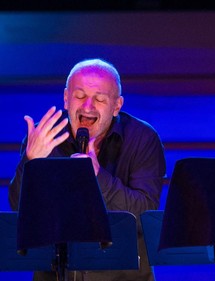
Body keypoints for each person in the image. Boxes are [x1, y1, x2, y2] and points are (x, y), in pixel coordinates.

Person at [8, 58, 166, 281]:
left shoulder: (143, 139)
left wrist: (97, 176)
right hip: (56, 274)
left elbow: (143, 214)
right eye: (79, 96)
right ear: (66, 98)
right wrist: (31, 162)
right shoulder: (44, 140)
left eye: (99, 99)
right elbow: (19, 211)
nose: (87, 106)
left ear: (117, 106)